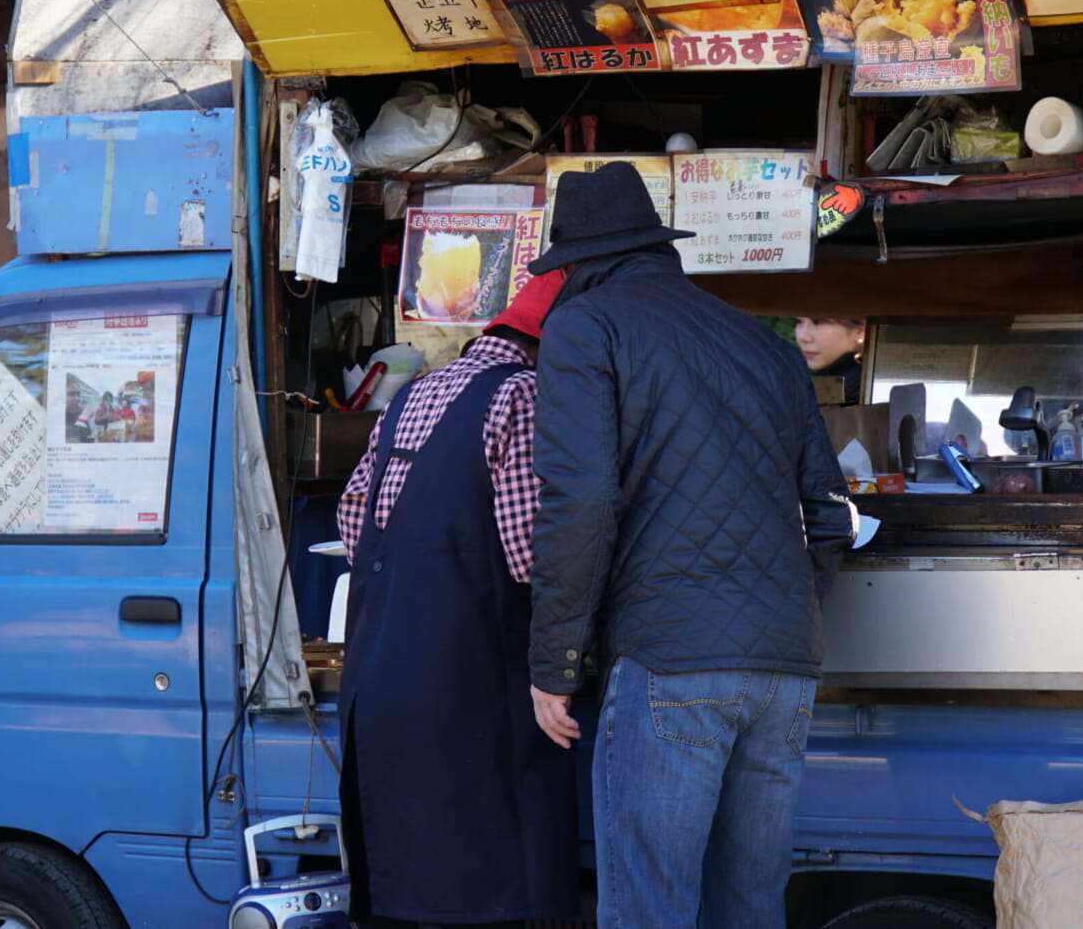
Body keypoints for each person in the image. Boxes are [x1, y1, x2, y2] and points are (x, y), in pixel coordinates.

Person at [523, 162, 856, 929]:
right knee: (749, 909)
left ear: (575, 264)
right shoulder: (764, 344)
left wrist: (555, 664)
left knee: (650, 910)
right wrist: (788, 610)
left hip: (669, 662)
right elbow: (832, 514)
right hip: (784, 672)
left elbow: (580, 502)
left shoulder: (585, 325)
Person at [336, 267, 578, 929]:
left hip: (382, 696)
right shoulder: (524, 397)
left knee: (406, 900)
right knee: (485, 900)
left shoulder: (411, 396)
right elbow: (538, 556)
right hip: (472, 704)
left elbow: (354, 519)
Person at [793, 317, 865, 403]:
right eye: (799, 322)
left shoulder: (856, 387)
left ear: (859, 332)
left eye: (818, 323)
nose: (803, 337)